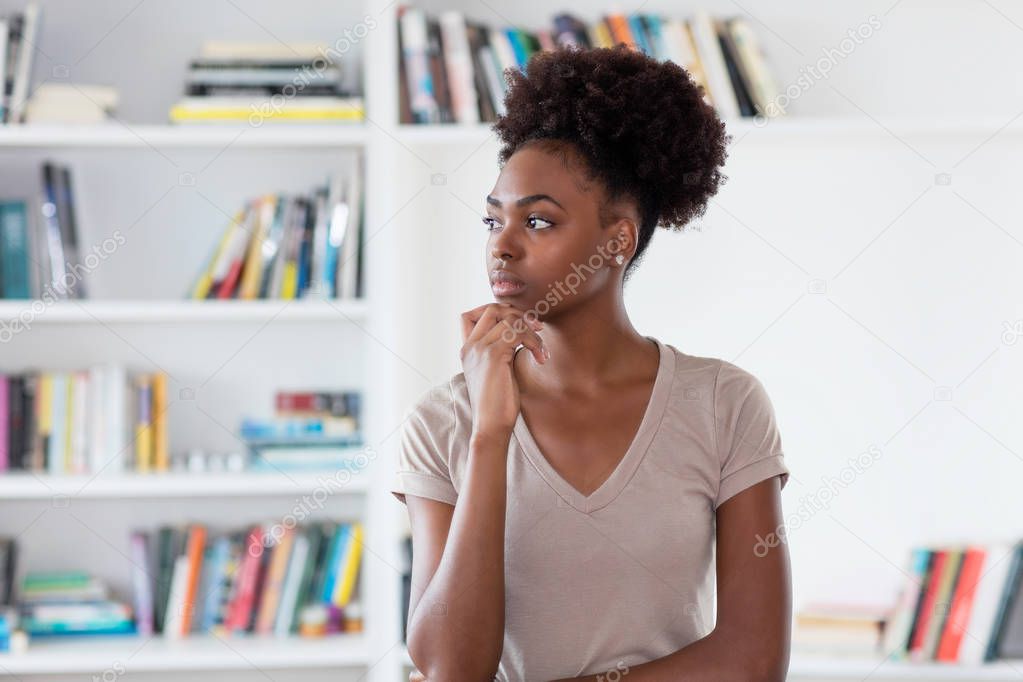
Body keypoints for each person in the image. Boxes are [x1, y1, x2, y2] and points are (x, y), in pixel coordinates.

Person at [390, 44, 791, 682]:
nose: (503, 248)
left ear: (617, 239)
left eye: (540, 223)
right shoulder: (443, 421)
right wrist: (490, 436)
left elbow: (752, 659)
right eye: (492, 222)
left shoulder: (724, 404)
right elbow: (451, 668)